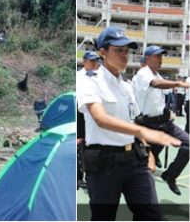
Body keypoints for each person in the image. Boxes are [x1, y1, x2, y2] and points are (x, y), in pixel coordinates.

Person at [77, 26, 181, 220]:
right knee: (104, 217)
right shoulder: (88, 81)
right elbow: (100, 118)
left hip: (134, 160)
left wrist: (147, 150)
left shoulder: (127, 87)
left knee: (151, 215)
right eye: (118, 50)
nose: (125, 56)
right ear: (103, 52)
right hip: (104, 164)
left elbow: (132, 121)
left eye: (127, 51)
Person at [132, 45, 189, 195]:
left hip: (165, 123)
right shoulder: (143, 74)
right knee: (144, 166)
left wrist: (168, 111)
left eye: (161, 56)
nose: (161, 59)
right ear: (148, 58)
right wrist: (178, 83)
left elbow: (161, 95)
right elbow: (156, 85)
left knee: (188, 144)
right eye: (157, 56)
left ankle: (170, 175)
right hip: (149, 125)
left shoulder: (157, 75)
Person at [77, 51, 100, 190]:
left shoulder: (99, 76)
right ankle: (79, 177)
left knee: (91, 145)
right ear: (84, 61)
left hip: (94, 114)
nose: (94, 63)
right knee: (80, 145)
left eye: (96, 60)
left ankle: (90, 176)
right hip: (81, 112)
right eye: (91, 61)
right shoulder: (79, 76)